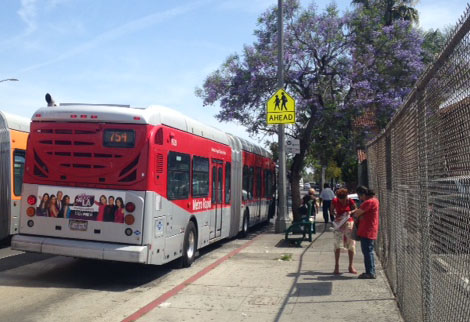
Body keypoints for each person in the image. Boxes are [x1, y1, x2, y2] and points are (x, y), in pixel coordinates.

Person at [350, 186, 380, 279]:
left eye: (359, 196)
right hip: (368, 229)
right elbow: (359, 212)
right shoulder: (374, 200)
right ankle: (370, 271)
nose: (359, 198)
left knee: (367, 251)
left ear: (363, 194)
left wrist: (355, 214)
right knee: (368, 251)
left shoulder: (368, 202)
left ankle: (370, 272)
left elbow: (357, 213)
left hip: (367, 230)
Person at [330, 188, 357, 274]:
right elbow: (331, 211)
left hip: (349, 222)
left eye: (343, 199)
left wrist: (350, 212)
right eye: (340, 199)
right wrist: (335, 215)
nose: (341, 201)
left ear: (346, 196)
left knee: (351, 244)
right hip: (339, 223)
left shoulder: (350, 200)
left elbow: (356, 209)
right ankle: (336, 266)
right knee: (337, 244)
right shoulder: (335, 200)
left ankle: (350, 266)